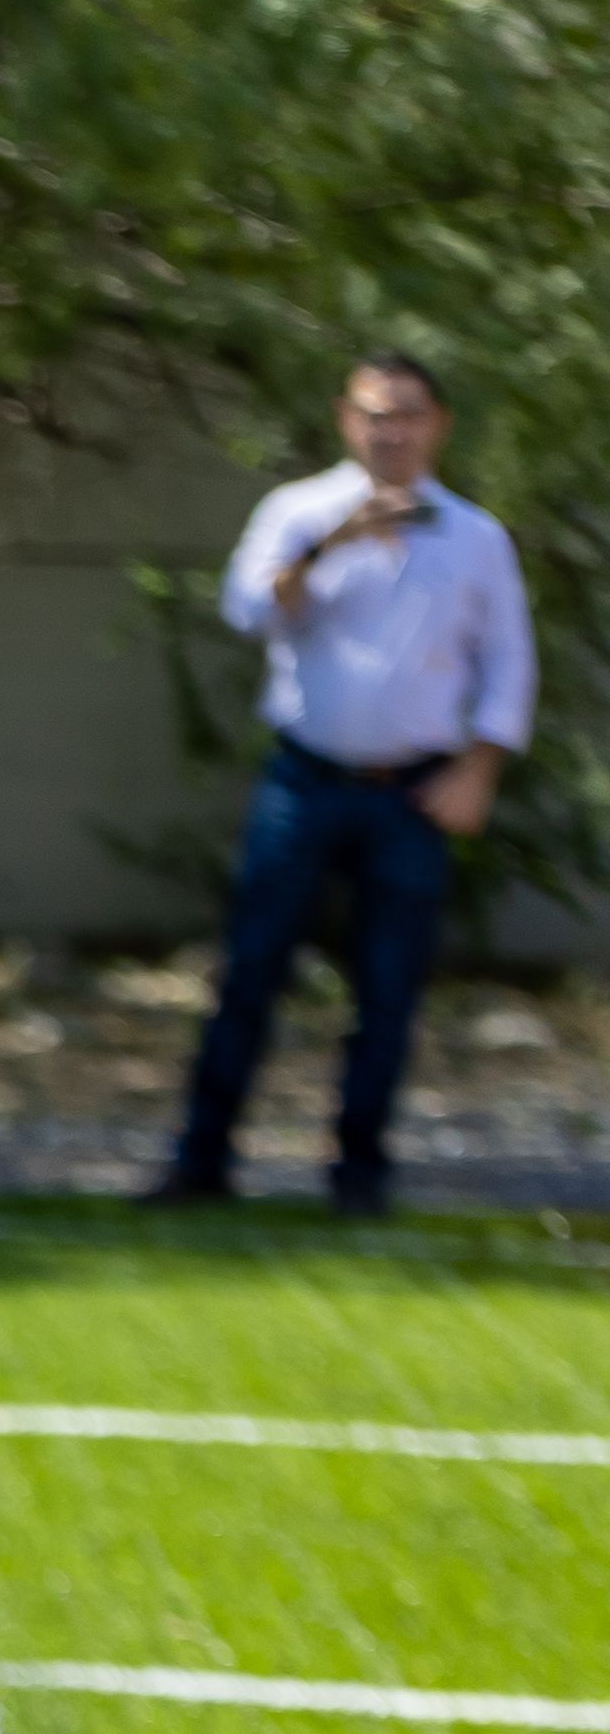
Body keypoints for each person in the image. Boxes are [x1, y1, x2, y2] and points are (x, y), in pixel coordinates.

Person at [149, 352, 537, 1219]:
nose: (388, 431)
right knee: (251, 972)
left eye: (406, 415)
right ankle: (201, 1164)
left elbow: (508, 661)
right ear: (344, 419)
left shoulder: (476, 538)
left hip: (413, 794)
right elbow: (249, 611)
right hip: (304, 779)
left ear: (437, 424)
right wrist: (334, 544)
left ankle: (358, 1177)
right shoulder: (299, 514)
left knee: (390, 987)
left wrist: (478, 771)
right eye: (373, 414)